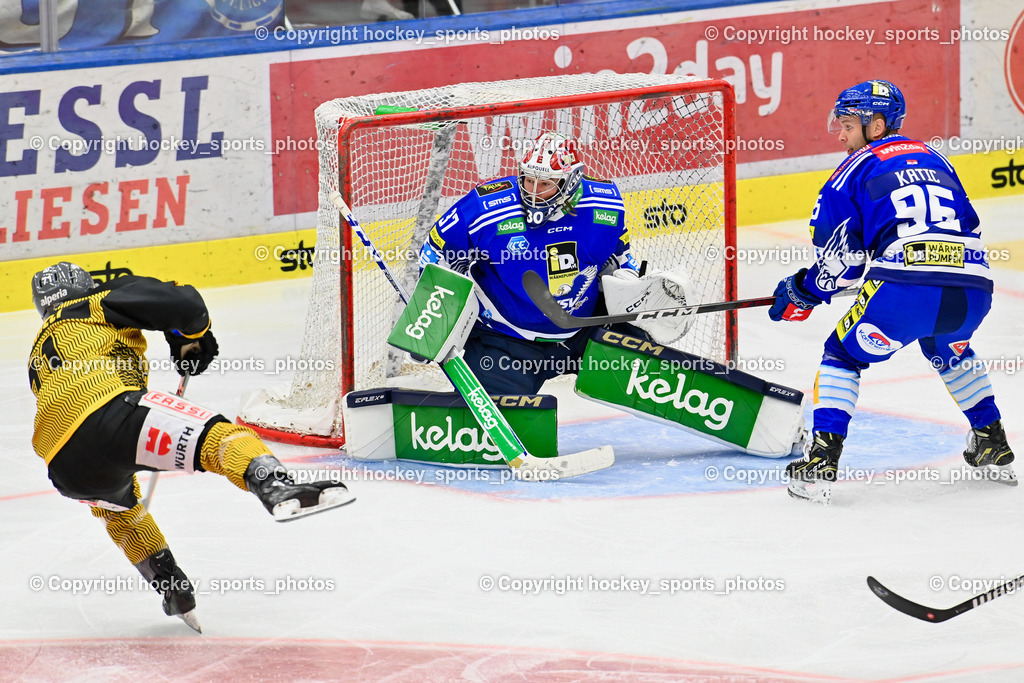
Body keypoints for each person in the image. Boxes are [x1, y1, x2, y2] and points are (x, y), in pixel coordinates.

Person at [28, 263, 355, 631]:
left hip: (64, 463)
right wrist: (190, 333)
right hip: (110, 408)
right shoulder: (95, 303)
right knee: (221, 437)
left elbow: (75, 413)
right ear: (86, 285)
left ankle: (170, 586)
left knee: (121, 512)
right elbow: (185, 304)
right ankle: (275, 485)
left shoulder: (39, 353)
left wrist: (177, 336)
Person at [769, 79, 1016, 503]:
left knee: (842, 353)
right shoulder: (936, 157)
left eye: (847, 124)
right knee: (948, 346)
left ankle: (822, 461)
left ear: (877, 124)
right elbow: (968, 225)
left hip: (906, 290)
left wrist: (801, 291)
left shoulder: (853, 168)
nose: (840, 133)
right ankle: (991, 440)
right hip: (975, 290)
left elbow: (840, 267)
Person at [417, 131, 693, 394]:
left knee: (651, 377)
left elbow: (621, 256)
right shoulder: (486, 207)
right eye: (528, 180)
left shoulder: (604, 205)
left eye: (546, 183)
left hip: (585, 331)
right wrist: (429, 320)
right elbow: (434, 253)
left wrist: (633, 287)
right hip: (505, 343)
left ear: (570, 181)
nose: (533, 192)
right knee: (486, 430)